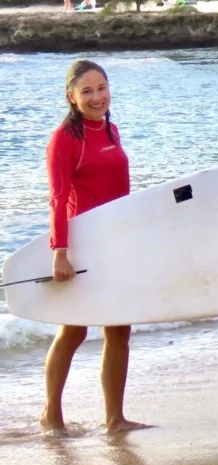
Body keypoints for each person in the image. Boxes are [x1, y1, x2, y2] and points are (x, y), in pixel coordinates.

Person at [41, 59, 150, 433]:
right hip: (83, 247)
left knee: (119, 331)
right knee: (74, 331)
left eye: (101, 88)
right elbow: (58, 198)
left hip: (116, 244)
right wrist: (60, 252)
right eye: (86, 91)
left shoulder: (111, 131)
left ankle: (115, 419)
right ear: (71, 97)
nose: (96, 97)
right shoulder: (66, 140)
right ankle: (51, 414)